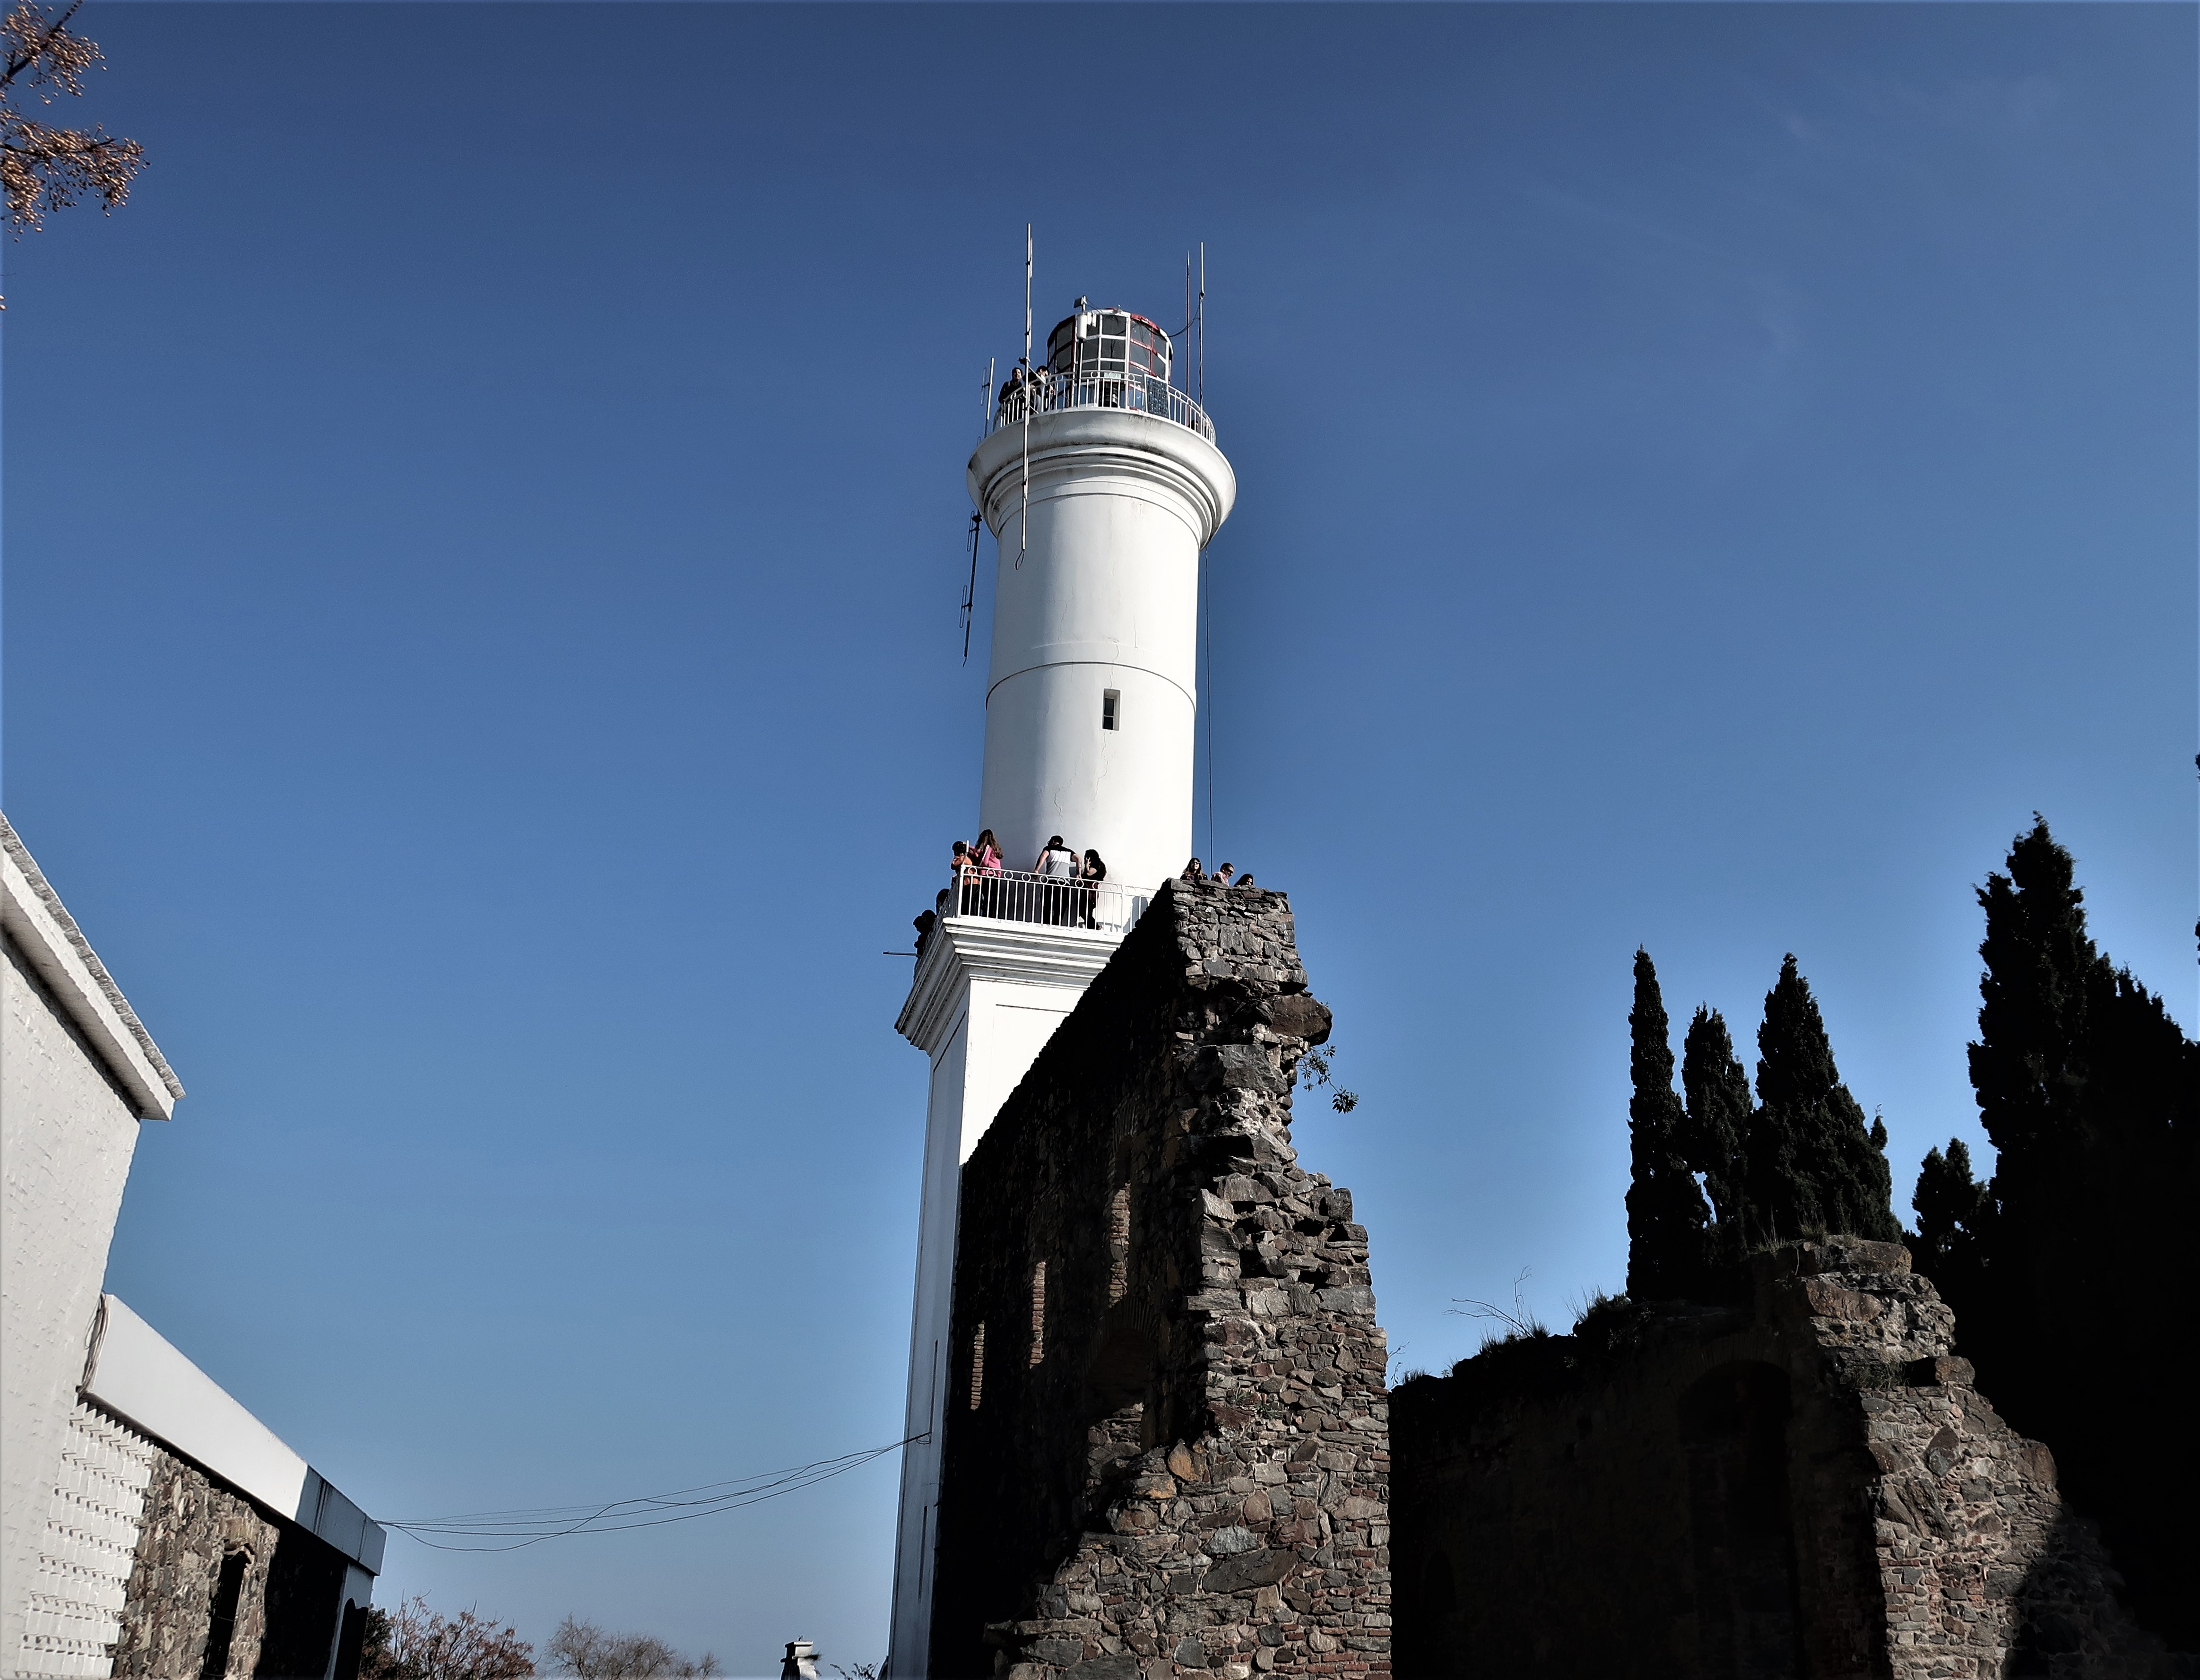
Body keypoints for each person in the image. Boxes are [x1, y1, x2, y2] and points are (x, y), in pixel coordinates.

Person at [1036, 834, 1078, 925]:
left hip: (1051, 881)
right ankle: (1057, 925)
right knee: (1060, 907)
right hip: (1065, 883)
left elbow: (1043, 857)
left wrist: (1037, 870)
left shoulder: (1049, 848)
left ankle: (1046, 924)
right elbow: (1079, 859)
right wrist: (1079, 874)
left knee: (1047, 905)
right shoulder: (1069, 852)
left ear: (1054, 841)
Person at [1079, 848, 1107, 929]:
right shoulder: (1096, 865)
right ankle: (1091, 928)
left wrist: (1086, 865)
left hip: (1090, 893)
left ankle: (1096, 927)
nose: (1085, 858)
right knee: (1086, 912)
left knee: (1085, 912)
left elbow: (1089, 873)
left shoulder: (1096, 865)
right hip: (1088, 892)